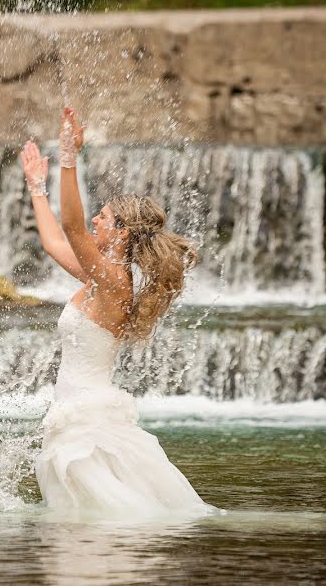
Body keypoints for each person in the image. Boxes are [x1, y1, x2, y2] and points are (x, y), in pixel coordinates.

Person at [19, 107, 211, 515]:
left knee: (101, 518)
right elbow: (56, 242)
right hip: (76, 412)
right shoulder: (98, 276)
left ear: (121, 233)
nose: (94, 220)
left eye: (103, 217)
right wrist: (37, 188)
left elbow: (71, 226)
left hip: (86, 420)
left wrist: (69, 160)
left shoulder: (112, 281)